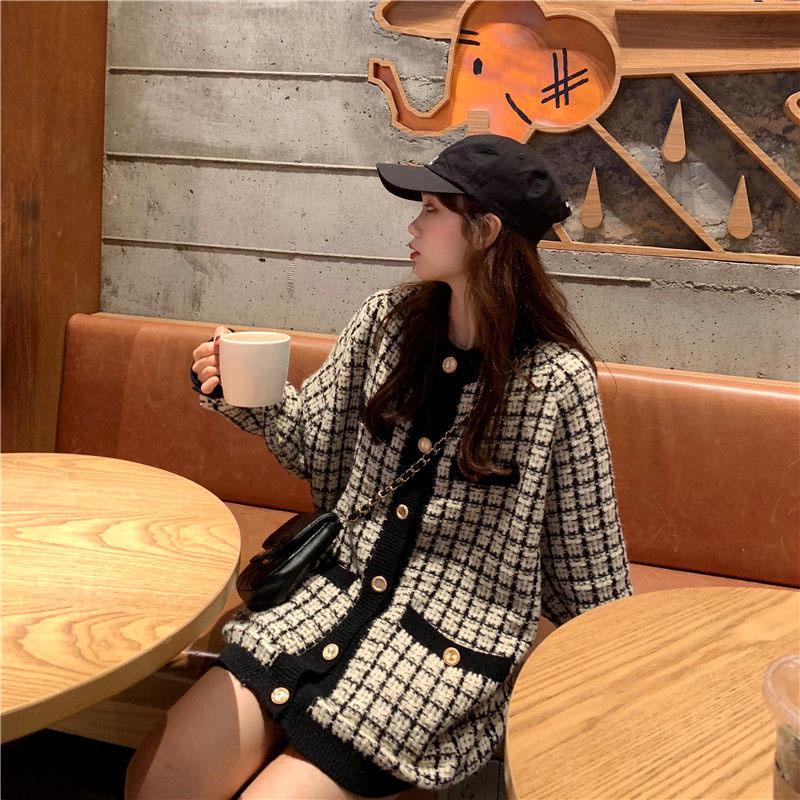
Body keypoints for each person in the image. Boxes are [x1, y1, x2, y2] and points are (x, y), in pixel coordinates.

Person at [125, 133, 633, 799]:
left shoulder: (556, 384)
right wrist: (241, 392)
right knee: (158, 779)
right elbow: (314, 447)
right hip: (321, 603)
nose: (413, 226)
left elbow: (591, 578)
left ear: (485, 231)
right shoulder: (385, 323)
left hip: (436, 659)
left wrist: (609, 700)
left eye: (431, 210)